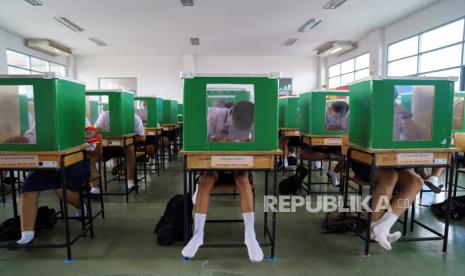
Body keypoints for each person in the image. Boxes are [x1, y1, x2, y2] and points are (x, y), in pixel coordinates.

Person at [182, 101, 263, 262]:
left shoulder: (252, 120)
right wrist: (222, 140)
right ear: (231, 112)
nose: (240, 128)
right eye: (238, 124)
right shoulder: (214, 115)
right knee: (206, 181)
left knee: (243, 179)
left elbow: (257, 143)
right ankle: (198, 234)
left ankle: (250, 234)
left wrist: (250, 141)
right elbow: (201, 142)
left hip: (238, 164)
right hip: (214, 164)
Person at [7, 119, 95, 249]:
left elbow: (93, 143)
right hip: (50, 161)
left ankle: (81, 205)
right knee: (28, 188)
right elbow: (32, 136)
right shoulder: (45, 116)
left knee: (62, 189)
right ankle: (26, 238)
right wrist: (24, 139)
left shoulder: (80, 116)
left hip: (76, 160)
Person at [92, 111, 145, 194]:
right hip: (106, 148)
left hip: (124, 147)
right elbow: (96, 130)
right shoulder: (105, 115)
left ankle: (130, 182)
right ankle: (95, 188)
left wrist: (128, 138)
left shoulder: (134, 118)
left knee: (130, 148)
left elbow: (141, 136)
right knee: (88, 158)